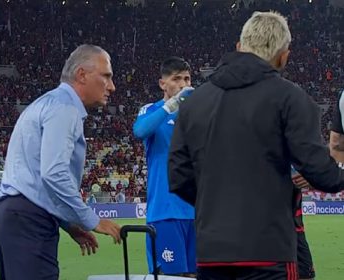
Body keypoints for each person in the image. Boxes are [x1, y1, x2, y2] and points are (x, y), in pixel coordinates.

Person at [168, 11, 344, 280]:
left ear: (240, 47)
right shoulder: (291, 99)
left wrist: (217, 205)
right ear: (284, 55)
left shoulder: (193, 102)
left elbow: (179, 177)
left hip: (212, 252)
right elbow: (323, 173)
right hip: (269, 250)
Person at [0, 44, 121, 280]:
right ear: (82, 75)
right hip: (28, 220)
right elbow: (53, 173)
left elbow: (38, 177)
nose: (112, 86)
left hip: (9, 216)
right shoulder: (65, 108)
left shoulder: (46, 102)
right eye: (106, 76)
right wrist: (91, 220)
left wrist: (69, 225)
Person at [133, 56, 195, 277]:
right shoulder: (152, 110)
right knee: (171, 277)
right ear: (163, 84)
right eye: (176, 78)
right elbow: (140, 131)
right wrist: (172, 105)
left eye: (187, 79)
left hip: (198, 213)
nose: (183, 84)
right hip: (166, 210)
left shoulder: (199, 113)